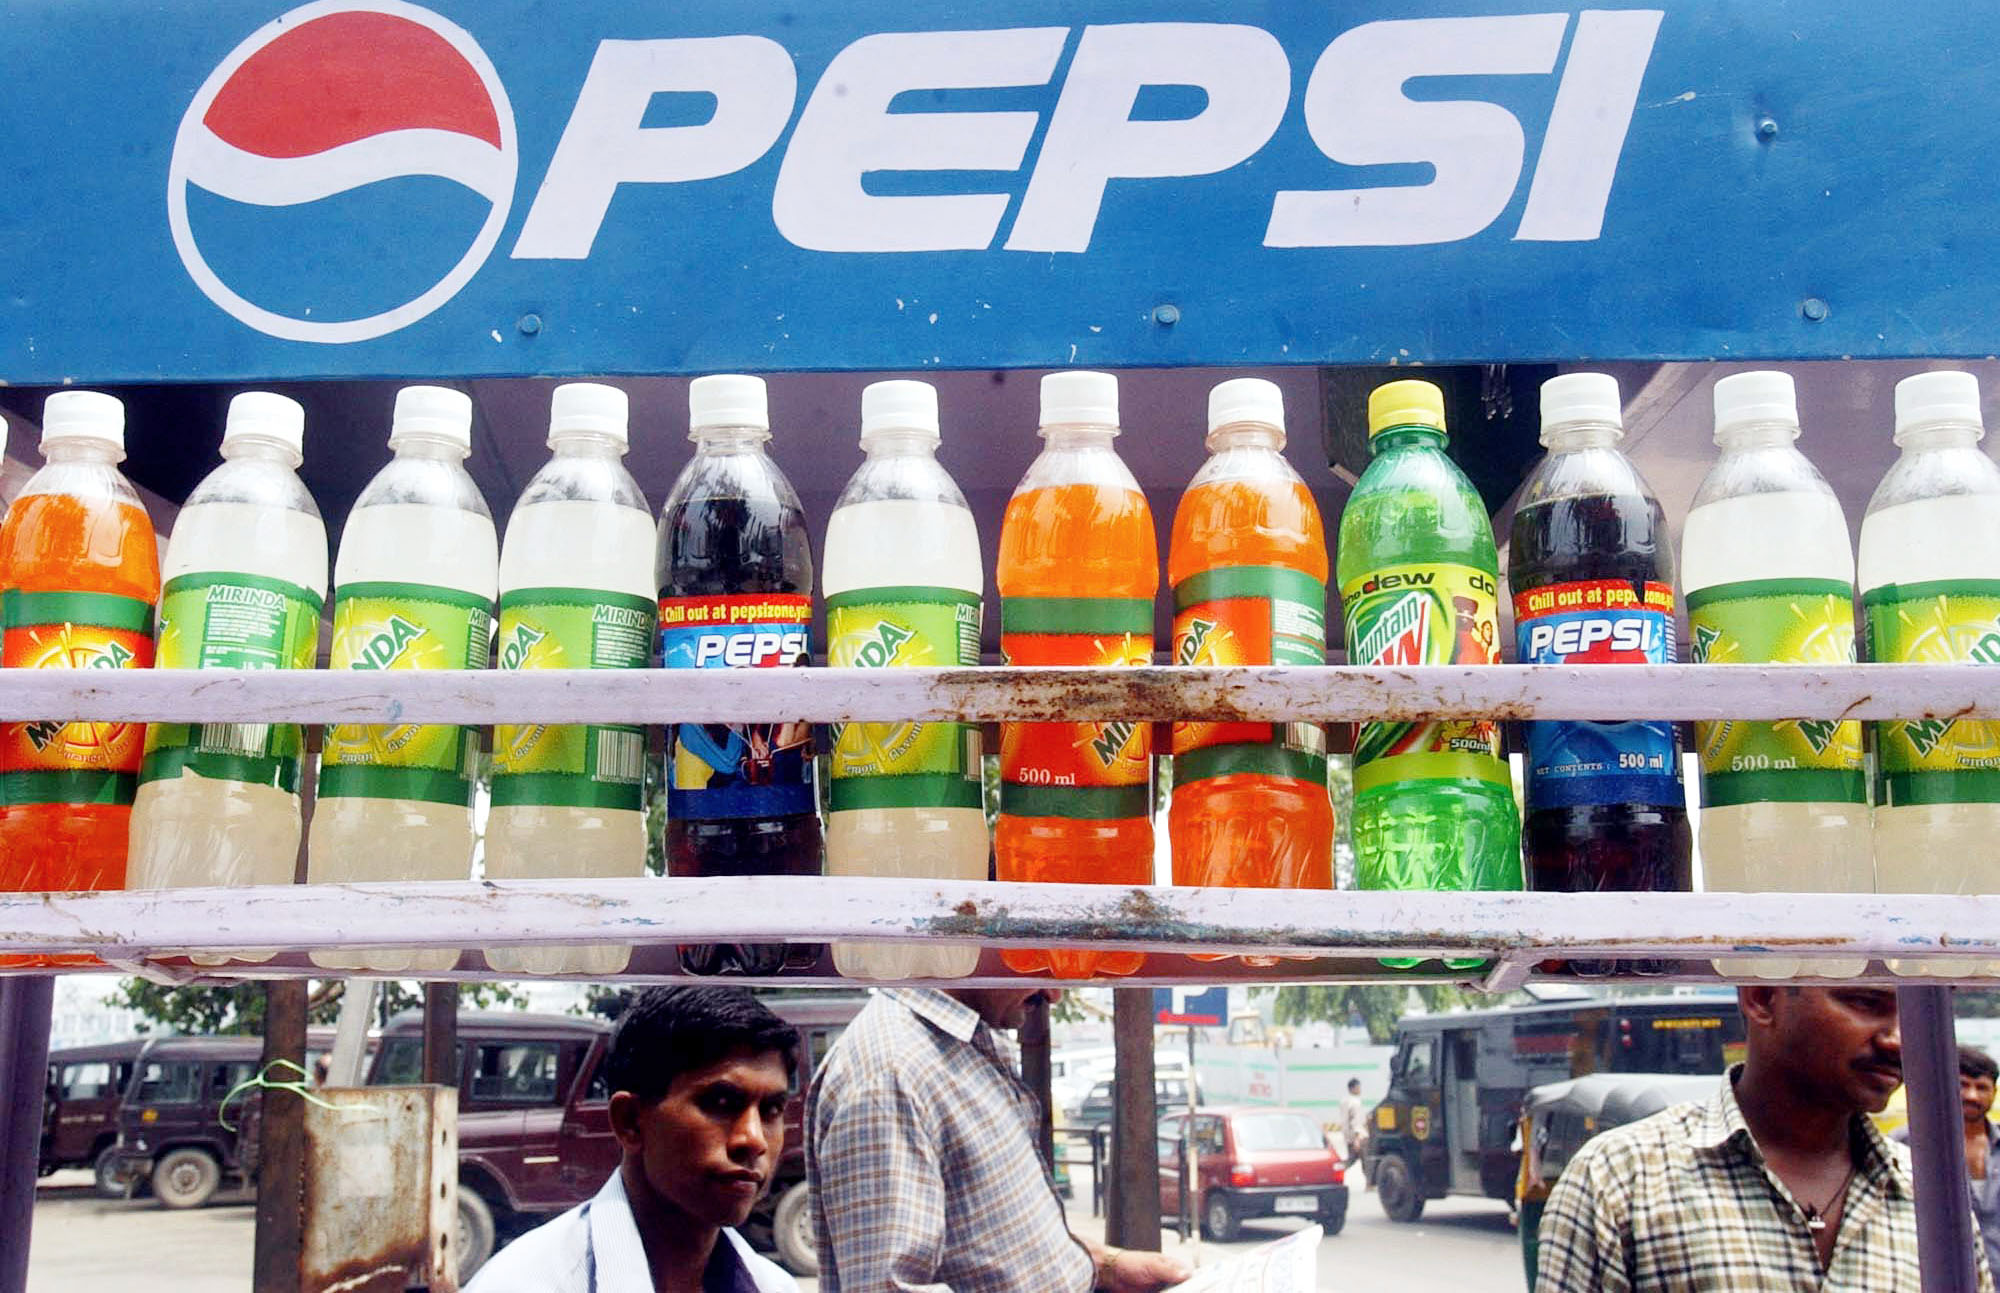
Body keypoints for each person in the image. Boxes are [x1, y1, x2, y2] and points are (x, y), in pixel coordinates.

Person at [1535, 986, 1994, 1292]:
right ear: (1761, 999)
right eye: (1864, 1002)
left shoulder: (1932, 1192)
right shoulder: (1618, 1178)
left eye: (1917, 1012)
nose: (1899, 1039)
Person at [808, 988, 1190, 1293]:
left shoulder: (959, 1046)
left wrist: (1104, 1265)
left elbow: (990, 1251)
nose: (1054, 994)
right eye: (1039, 958)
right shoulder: (889, 1075)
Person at [469, 986, 801, 1293]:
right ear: (629, 1122)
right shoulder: (521, 1284)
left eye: (772, 1110)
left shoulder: (774, 1287)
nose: (753, 1139)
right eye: (721, 1103)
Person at [1339, 1077, 1369, 1183]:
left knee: (1351, 1159)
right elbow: (1356, 1121)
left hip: (1348, 1136)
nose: (1360, 1089)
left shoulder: (1344, 1101)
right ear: (1352, 1089)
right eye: (1358, 1087)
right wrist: (1357, 1139)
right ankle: (1369, 1184)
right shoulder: (1355, 1102)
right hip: (1358, 1137)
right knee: (1365, 1160)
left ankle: (1334, 1171)